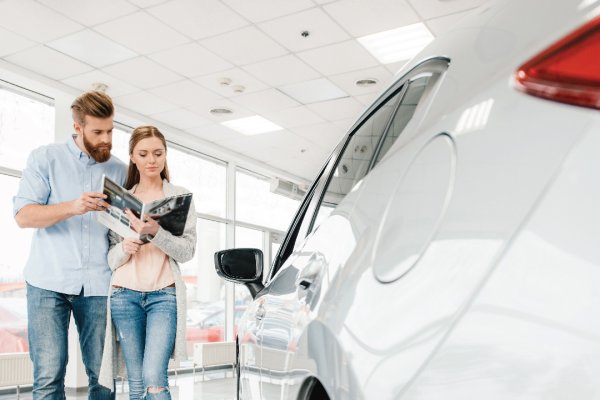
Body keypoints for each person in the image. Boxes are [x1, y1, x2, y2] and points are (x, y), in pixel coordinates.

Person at [13, 90, 127, 399]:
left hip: (99, 285)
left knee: (103, 379)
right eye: (97, 132)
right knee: (49, 377)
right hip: (47, 282)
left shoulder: (119, 170)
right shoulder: (45, 158)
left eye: (110, 130)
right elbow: (23, 216)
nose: (106, 138)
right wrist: (72, 207)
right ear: (77, 128)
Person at [98, 126, 196, 400]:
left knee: (155, 375)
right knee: (138, 381)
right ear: (132, 157)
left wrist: (156, 232)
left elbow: (187, 251)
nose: (151, 160)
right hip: (123, 294)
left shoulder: (178, 197)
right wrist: (124, 248)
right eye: (143, 154)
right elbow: (111, 257)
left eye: (158, 153)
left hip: (164, 294)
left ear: (165, 156)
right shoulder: (120, 199)